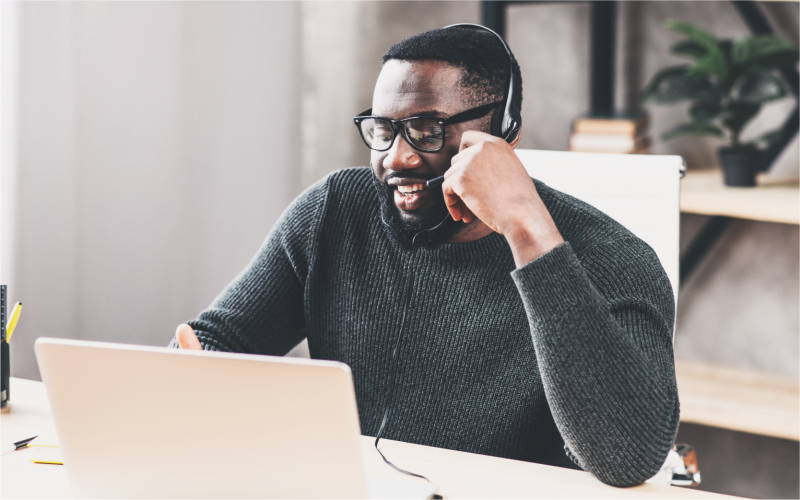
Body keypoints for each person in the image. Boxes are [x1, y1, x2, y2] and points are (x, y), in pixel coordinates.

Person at [171, 26, 679, 487]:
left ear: (503, 133)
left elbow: (628, 459)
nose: (397, 157)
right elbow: (214, 340)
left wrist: (527, 231)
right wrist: (201, 386)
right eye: (383, 130)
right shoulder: (335, 212)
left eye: (427, 130)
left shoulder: (614, 259)